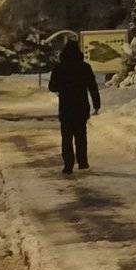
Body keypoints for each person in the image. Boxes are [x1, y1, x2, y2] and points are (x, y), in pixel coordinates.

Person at [48, 41, 100, 174]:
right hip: (81, 106)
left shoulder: (59, 68)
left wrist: (62, 88)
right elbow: (93, 87)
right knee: (81, 135)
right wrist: (96, 104)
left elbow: (52, 86)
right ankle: (82, 162)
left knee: (66, 137)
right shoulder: (85, 67)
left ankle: (68, 165)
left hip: (66, 107)